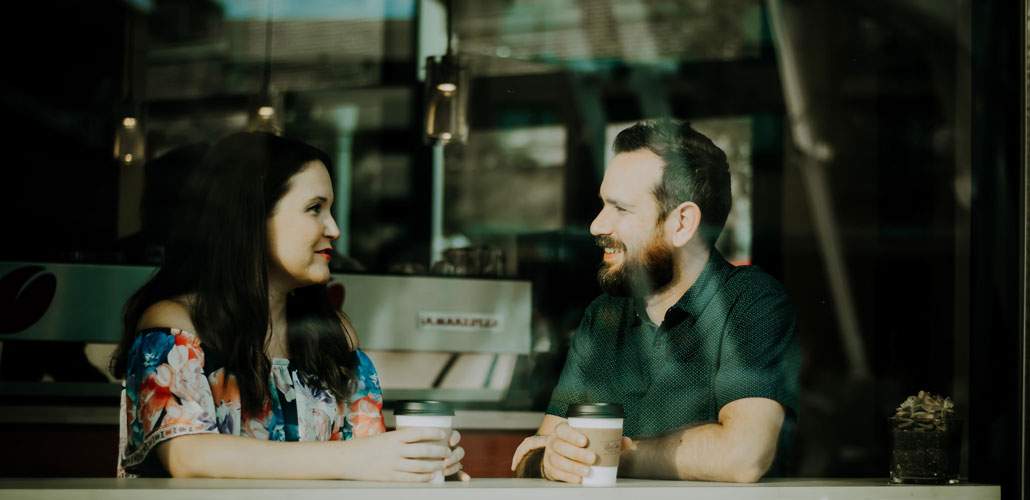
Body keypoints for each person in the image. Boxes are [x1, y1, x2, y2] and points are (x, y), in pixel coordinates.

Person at [110, 132, 468, 481]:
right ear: (251, 219)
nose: (335, 229)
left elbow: (369, 458)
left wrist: (417, 464)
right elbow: (187, 455)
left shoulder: (332, 335)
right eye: (315, 209)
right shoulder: (175, 326)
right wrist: (354, 459)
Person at [511, 120, 799, 483]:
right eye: (603, 205)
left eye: (621, 209)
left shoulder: (750, 302)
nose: (597, 225)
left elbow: (744, 456)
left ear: (681, 224)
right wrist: (548, 460)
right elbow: (539, 449)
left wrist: (610, 456)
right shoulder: (603, 316)